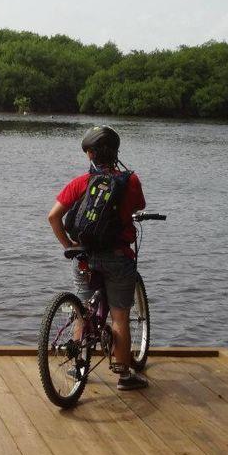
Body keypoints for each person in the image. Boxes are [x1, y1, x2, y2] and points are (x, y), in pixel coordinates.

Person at [47, 125, 148, 390]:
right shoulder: (130, 182)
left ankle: (79, 368)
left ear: (90, 154)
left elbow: (53, 216)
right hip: (117, 257)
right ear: (115, 153)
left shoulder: (81, 182)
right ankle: (124, 376)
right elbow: (139, 207)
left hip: (84, 257)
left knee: (84, 312)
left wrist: (69, 244)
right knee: (119, 318)